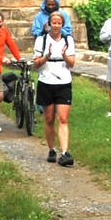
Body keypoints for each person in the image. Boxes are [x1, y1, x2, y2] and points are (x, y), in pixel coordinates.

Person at [33, 11, 76, 166]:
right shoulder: (41, 40)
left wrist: (64, 55)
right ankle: (52, 149)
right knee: (49, 118)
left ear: (62, 25)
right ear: (49, 24)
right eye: (54, 23)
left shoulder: (68, 40)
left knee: (63, 118)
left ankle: (65, 152)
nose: (56, 26)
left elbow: (72, 63)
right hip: (46, 82)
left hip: (64, 82)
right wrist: (47, 55)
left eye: (59, 23)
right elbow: (36, 63)